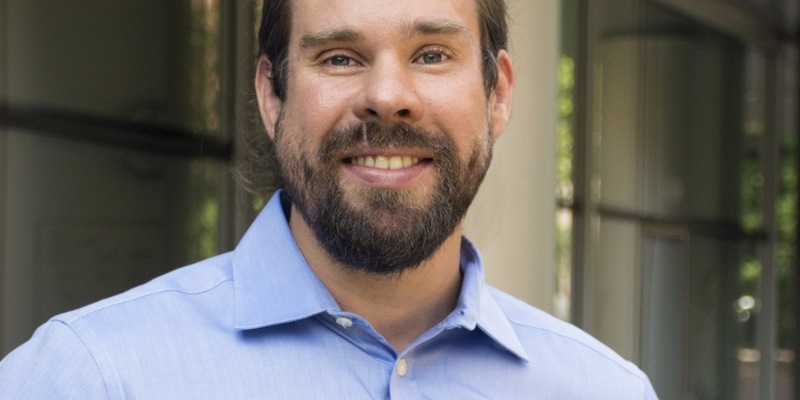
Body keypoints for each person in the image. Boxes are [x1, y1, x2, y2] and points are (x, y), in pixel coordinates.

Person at [0, 0, 658, 398]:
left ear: (498, 94)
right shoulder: (89, 379)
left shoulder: (604, 392)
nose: (387, 95)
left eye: (431, 54)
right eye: (340, 58)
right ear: (271, 95)